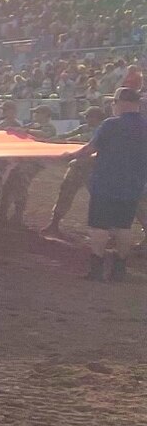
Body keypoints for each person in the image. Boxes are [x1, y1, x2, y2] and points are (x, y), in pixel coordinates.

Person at [70, 87, 147, 281]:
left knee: (99, 227)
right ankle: (119, 269)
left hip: (106, 183)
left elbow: (90, 149)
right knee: (124, 227)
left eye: (114, 102)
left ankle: (97, 269)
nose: (112, 106)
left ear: (122, 102)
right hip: (133, 185)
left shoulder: (111, 124)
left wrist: (69, 155)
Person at [44, 105, 107, 234]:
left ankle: (111, 232)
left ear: (95, 118)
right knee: (65, 193)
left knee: (101, 199)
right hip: (80, 167)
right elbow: (68, 135)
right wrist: (48, 141)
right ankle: (54, 222)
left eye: (88, 117)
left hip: (94, 169)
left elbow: (81, 139)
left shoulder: (102, 130)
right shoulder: (86, 127)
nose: (86, 119)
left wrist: (62, 142)